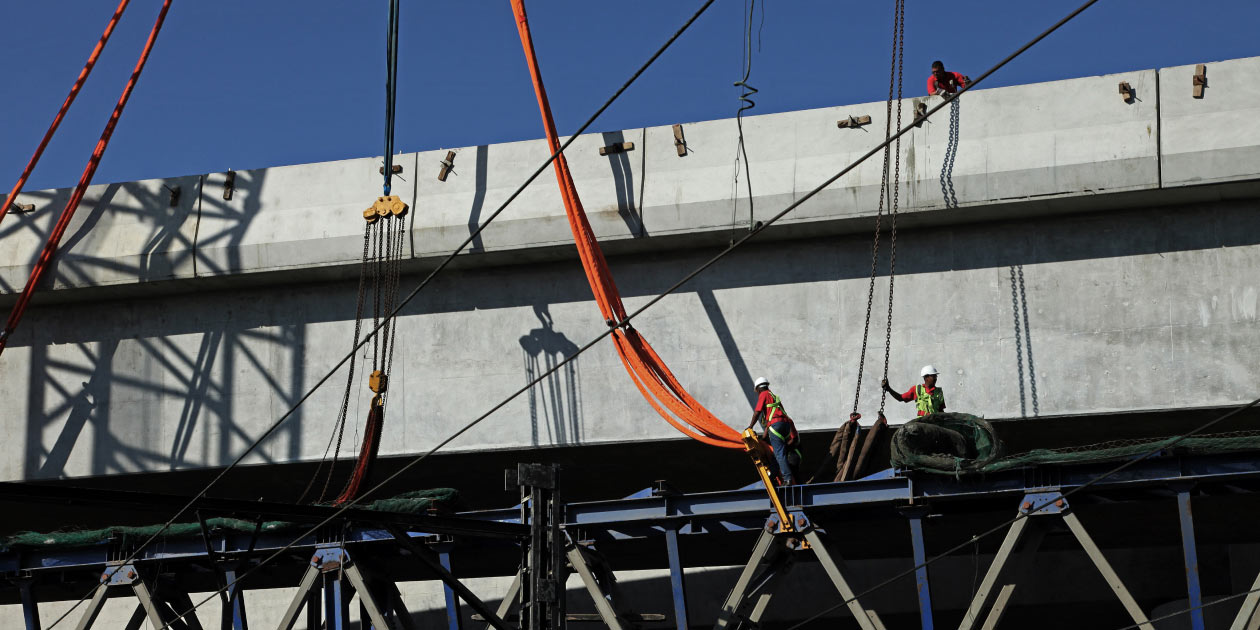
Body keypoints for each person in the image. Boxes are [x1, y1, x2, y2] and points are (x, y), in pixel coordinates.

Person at [747, 376, 801, 485]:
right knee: (779, 453)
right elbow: (778, 418)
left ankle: (787, 479)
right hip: (784, 425)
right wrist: (764, 438)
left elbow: (757, 412)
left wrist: (750, 427)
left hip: (776, 426)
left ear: (758, 388)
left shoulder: (763, 394)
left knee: (779, 453)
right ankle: (773, 476)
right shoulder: (774, 397)